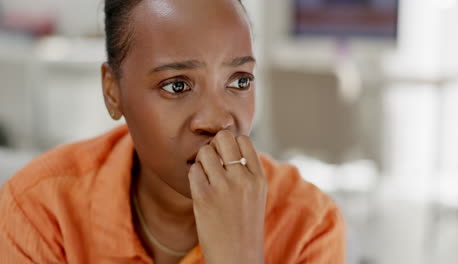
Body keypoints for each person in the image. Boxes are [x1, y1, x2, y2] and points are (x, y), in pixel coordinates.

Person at [0, 0, 345, 263]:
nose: (217, 120)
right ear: (113, 92)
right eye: (177, 86)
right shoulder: (40, 212)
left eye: (240, 81)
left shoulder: (309, 226)